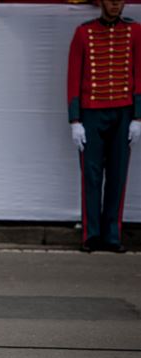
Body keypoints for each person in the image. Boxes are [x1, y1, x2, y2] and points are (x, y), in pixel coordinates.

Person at [67, 0, 141, 253]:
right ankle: (91, 234)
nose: (115, 5)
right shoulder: (83, 32)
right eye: (110, 0)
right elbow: (73, 76)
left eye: (119, 0)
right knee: (91, 175)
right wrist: (75, 120)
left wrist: (138, 117)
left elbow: (139, 74)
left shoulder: (135, 32)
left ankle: (112, 235)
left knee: (118, 174)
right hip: (91, 112)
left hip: (123, 111)